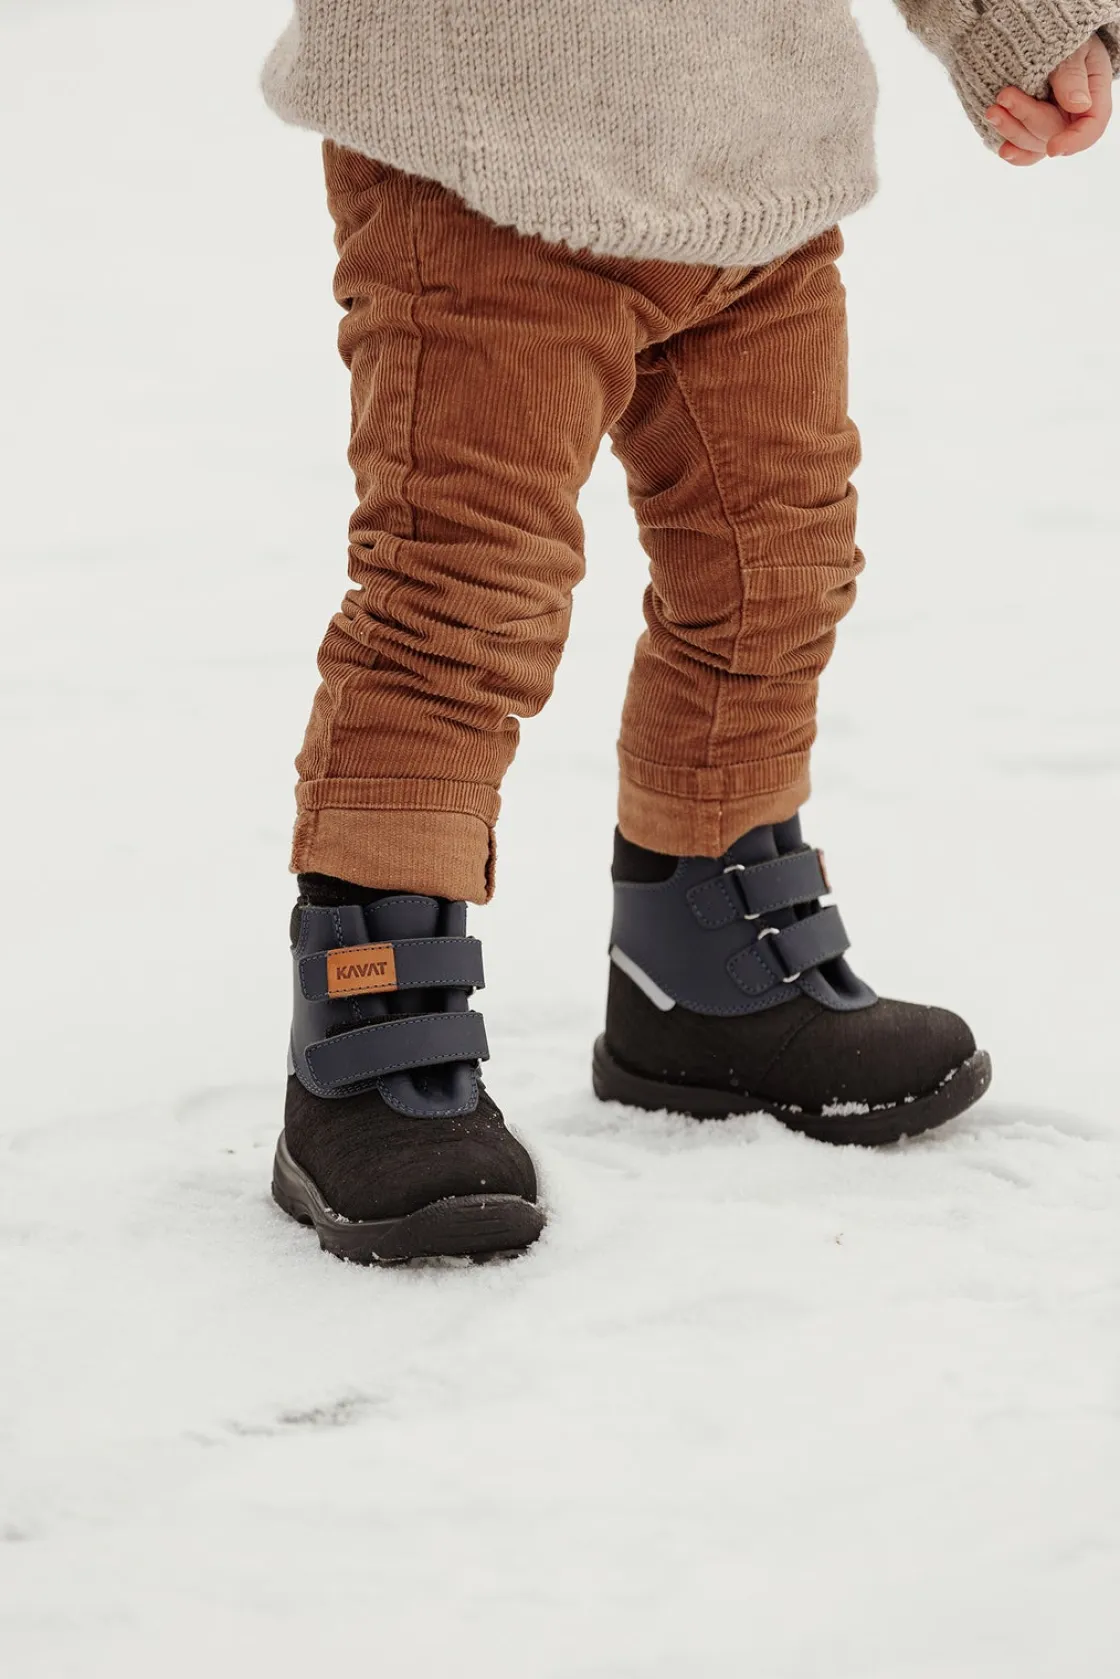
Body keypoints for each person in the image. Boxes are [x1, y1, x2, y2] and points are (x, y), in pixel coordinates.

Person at [261, 5, 1117, 1263]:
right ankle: (369, 1008)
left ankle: (705, 963)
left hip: (755, 152)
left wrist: (1010, 20)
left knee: (777, 567)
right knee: (460, 596)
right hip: (485, 141)